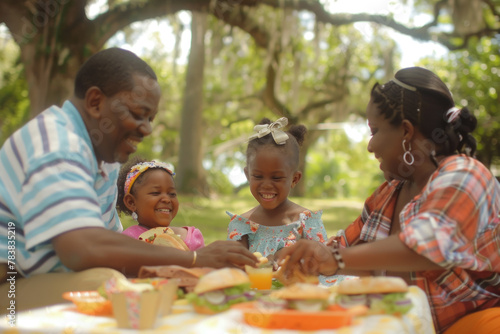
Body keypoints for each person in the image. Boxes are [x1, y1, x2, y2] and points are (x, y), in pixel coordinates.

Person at [0, 47, 257, 312]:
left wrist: (174, 270)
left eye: (150, 118)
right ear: (95, 102)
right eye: (137, 114)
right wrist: (191, 258)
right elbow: (81, 248)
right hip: (9, 286)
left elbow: (110, 243)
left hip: (42, 278)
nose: (146, 129)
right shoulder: (56, 145)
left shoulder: (104, 158)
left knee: (151, 288)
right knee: (106, 286)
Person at [277, 67, 500, 333]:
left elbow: (423, 250)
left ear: (406, 131)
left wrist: (336, 259)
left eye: (375, 131)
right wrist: (302, 257)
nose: (370, 146)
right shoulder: (388, 195)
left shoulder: (465, 176)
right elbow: (345, 249)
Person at [226, 117, 343, 284]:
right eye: (258, 176)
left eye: (277, 178)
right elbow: (234, 273)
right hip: (256, 300)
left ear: (295, 179)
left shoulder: (305, 221)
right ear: (247, 175)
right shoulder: (242, 225)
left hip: (296, 298)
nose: (266, 185)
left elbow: (323, 266)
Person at [117, 156, 204, 250]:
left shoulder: (190, 237)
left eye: (172, 194)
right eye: (155, 193)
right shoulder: (129, 240)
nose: (167, 199)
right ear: (131, 202)